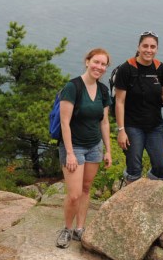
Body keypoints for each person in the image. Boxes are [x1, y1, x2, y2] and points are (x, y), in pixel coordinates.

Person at [56, 48, 113, 249]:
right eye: (96, 62)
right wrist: (70, 153)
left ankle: (80, 228)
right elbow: (65, 122)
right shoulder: (72, 87)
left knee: (86, 188)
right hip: (74, 147)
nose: (99, 67)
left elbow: (104, 122)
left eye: (103, 64)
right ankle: (67, 229)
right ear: (87, 61)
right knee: (74, 194)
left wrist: (108, 150)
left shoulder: (104, 90)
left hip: (94, 146)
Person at [115, 31, 163, 184]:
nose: (149, 50)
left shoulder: (160, 68)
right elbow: (119, 101)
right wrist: (121, 130)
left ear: (157, 49)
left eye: (153, 47)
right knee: (134, 168)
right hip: (132, 126)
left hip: (155, 125)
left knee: (162, 165)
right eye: (145, 46)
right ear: (138, 47)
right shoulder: (126, 69)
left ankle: (147, 191)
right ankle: (132, 197)